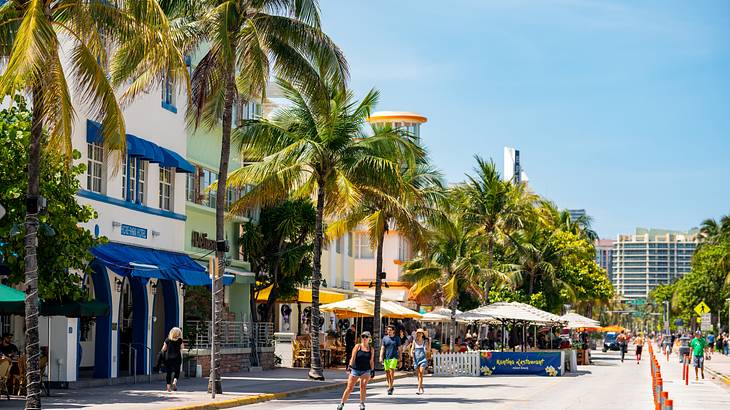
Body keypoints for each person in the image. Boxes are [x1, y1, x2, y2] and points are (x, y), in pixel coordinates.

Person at [337, 331, 374, 410]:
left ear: (369, 339)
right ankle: (342, 403)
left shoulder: (371, 349)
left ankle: (362, 403)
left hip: (366, 370)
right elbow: (353, 357)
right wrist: (349, 367)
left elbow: (371, 361)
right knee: (349, 387)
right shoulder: (358, 346)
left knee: (363, 386)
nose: (364, 338)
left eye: (366, 337)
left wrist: (372, 370)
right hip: (355, 369)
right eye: (363, 336)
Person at [161, 327, 184, 392]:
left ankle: (168, 387)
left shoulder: (167, 340)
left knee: (169, 372)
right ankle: (174, 382)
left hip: (168, 358)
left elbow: (163, 349)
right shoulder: (180, 340)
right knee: (177, 371)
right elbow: (182, 347)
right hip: (177, 357)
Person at [380, 325, 401, 395]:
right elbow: (382, 348)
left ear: (393, 331)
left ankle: (390, 387)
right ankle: (390, 386)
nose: (388, 331)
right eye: (388, 330)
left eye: (390, 330)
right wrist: (381, 356)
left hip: (394, 357)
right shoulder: (385, 338)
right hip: (386, 357)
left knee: (391, 372)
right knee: (387, 373)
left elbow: (399, 349)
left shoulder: (397, 338)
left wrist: (400, 358)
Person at [411, 328, 431, 395]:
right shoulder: (414, 341)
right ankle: (421, 386)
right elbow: (412, 349)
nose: (419, 334)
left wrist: (428, 346)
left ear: (422, 334)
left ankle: (418, 389)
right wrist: (411, 353)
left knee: (421, 372)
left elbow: (428, 350)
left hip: (423, 358)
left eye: (421, 333)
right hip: (416, 359)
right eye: (418, 333)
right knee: (418, 374)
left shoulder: (425, 342)